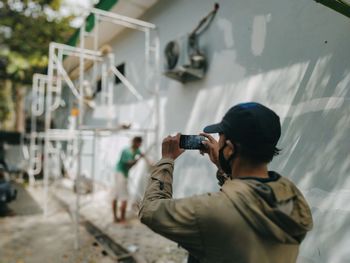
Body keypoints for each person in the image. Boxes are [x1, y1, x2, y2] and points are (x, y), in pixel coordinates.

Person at [139, 102, 313, 263]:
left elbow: (149, 210)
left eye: (220, 139)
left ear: (229, 149)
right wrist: (222, 165)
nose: (217, 143)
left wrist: (167, 160)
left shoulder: (211, 211)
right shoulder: (292, 198)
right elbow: (248, 197)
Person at [112, 136, 144, 223]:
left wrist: (146, 159)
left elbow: (142, 155)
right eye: (138, 143)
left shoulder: (136, 150)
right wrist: (137, 160)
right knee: (124, 197)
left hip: (120, 173)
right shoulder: (126, 151)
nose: (139, 145)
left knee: (116, 195)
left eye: (140, 143)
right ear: (134, 142)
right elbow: (129, 164)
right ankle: (122, 219)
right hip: (120, 174)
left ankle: (116, 218)